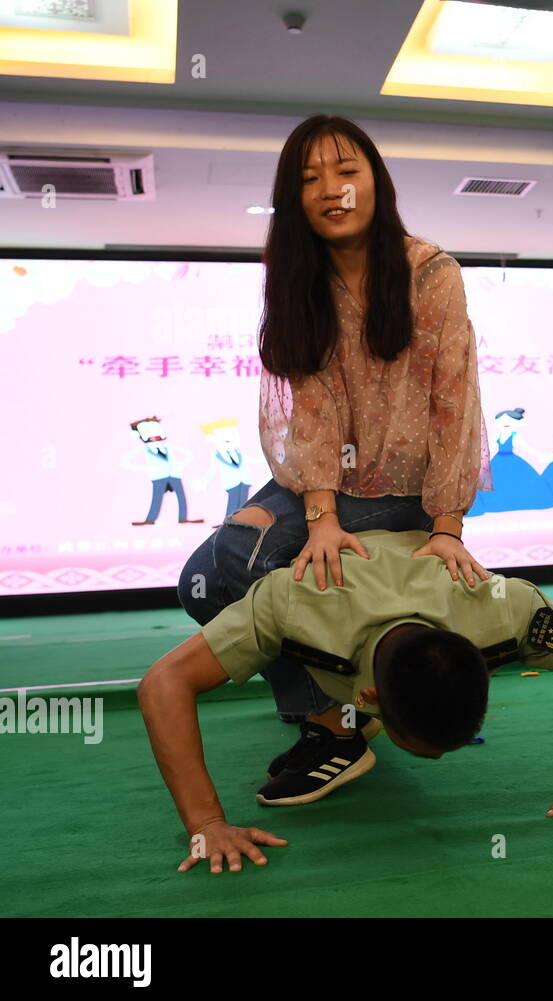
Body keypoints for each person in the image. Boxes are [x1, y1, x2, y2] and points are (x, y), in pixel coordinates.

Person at [178, 115, 494, 742]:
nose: (331, 189)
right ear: (293, 200)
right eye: (309, 178)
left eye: (347, 171)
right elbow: (312, 406)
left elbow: (453, 401)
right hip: (329, 479)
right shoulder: (300, 280)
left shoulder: (429, 272)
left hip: (404, 487)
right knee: (207, 579)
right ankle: (334, 717)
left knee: (249, 561)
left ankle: (335, 724)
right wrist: (321, 515)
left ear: (377, 182)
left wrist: (447, 525)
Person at [141, 529, 553, 874]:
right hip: (314, 520)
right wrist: (207, 825)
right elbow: (163, 684)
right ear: (368, 700)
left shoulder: (506, 610)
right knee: (206, 582)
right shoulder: (294, 601)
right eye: (420, 749)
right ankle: (327, 724)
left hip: (414, 522)